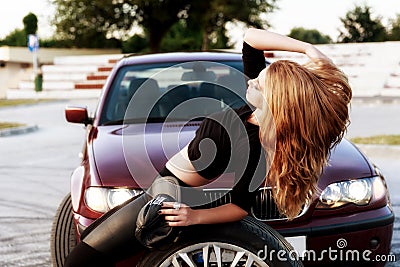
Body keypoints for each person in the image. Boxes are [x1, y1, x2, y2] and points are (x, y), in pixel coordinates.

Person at [64, 28, 352, 266]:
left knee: (82, 260)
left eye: (259, 83)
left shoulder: (253, 142)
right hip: (165, 188)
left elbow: (241, 207)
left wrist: (194, 217)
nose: (252, 81)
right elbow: (251, 38)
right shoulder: (258, 114)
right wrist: (306, 49)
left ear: (273, 100)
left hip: (170, 195)